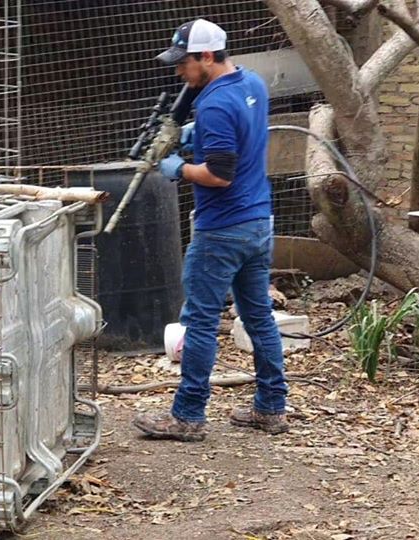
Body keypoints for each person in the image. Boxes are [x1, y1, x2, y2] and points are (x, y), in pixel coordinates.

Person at [132, 19, 289, 442]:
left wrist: (177, 168)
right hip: (258, 222)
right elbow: (240, 135)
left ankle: (187, 416)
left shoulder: (214, 104)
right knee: (258, 317)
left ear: (206, 56)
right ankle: (272, 408)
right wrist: (194, 134)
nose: (179, 72)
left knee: (198, 321)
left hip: (221, 229)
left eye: (183, 63)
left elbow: (219, 174)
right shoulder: (252, 83)